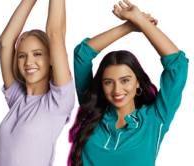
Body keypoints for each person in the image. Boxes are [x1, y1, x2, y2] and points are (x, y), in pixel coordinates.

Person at [70, 0, 189, 165]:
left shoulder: (156, 119)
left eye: (125, 80)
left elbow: (178, 65)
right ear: (102, 86)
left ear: (138, 83)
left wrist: (139, 19)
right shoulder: (91, 110)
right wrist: (129, 27)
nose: (117, 89)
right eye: (108, 82)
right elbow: (81, 54)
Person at [0, 0, 75, 165]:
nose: (28, 62)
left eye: (37, 54)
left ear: (51, 58)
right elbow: (5, 42)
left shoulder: (58, 101)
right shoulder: (16, 98)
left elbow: (55, 33)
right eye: (22, 55)